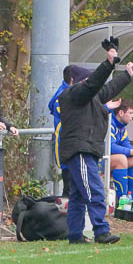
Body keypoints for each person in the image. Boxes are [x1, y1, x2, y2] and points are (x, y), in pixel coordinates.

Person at [58, 47, 133, 245]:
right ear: (76, 81)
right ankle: (101, 231)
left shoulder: (89, 97)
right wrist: (108, 64)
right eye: (86, 80)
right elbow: (93, 84)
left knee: (78, 196)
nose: (90, 83)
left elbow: (108, 89)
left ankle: (75, 236)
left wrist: (127, 75)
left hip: (86, 149)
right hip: (80, 150)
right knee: (95, 191)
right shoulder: (72, 94)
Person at [49, 65, 89, 197]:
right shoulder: (64, 96)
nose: (86, 84)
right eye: (83, 80)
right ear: (73, 80)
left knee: (73, 188)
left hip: (70, 145)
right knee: (69, 188)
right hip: (66, 145)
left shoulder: (67, 92)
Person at [109, 100, 133, 200]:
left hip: (111, 161)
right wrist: (132, 152)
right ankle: (121, 200)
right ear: (121, 113)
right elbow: (110, 147)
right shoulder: (109, 123)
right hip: (98, 160)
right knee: (121, 159)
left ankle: (131, 199)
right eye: (130, 113)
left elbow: (126, 144)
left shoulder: (122, 127)